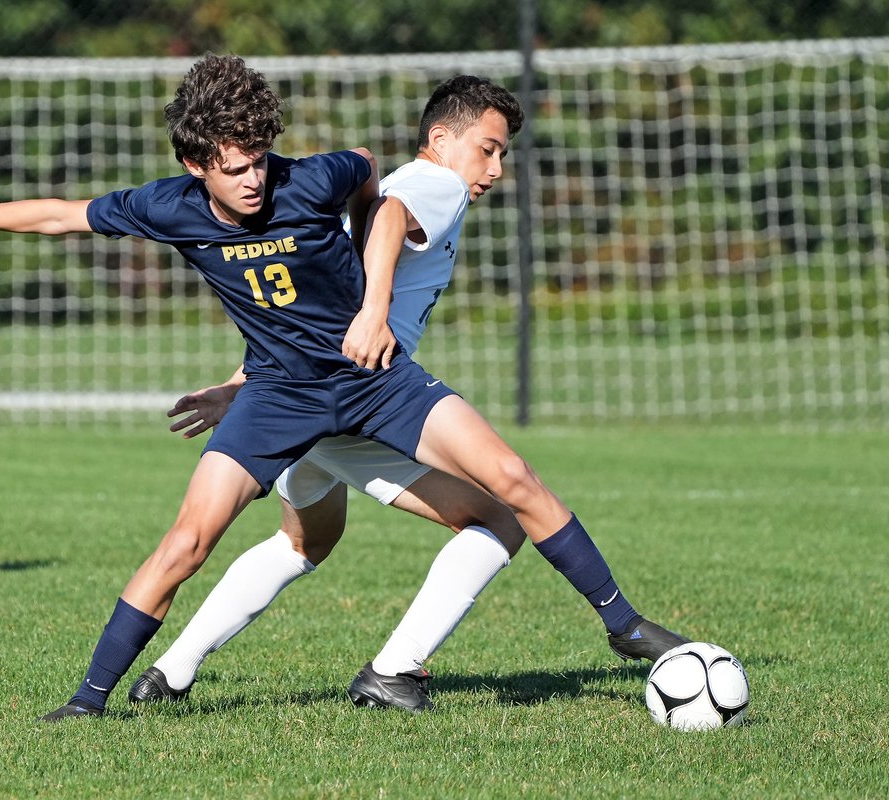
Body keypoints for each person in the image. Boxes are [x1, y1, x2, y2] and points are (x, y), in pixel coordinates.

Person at [0, 55, 686, 723]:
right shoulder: (169, 207)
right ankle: (88, 702)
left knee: (509, 481)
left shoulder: (312, 178)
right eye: (233, 169)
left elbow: (370, 184)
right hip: (280, 397)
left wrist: (370, 304)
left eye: (260, 159)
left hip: (373, 383)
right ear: (196, 166)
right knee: (188, 541)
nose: (253, 181)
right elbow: (61, 214)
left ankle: (620, 625)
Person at [126, 75, 685, 714]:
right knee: (501, 516)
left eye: (503, 154)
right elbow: (389, 221)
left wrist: (242, 385)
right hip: (356, 396)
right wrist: (375, 310)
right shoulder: (435, 185)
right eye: (488, 148)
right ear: (441, 140)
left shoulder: (393, 182)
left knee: (305, 542)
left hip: (303, 395)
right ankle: (401, 668)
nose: (496, 168)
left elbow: (296, 302)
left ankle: (170, 671)